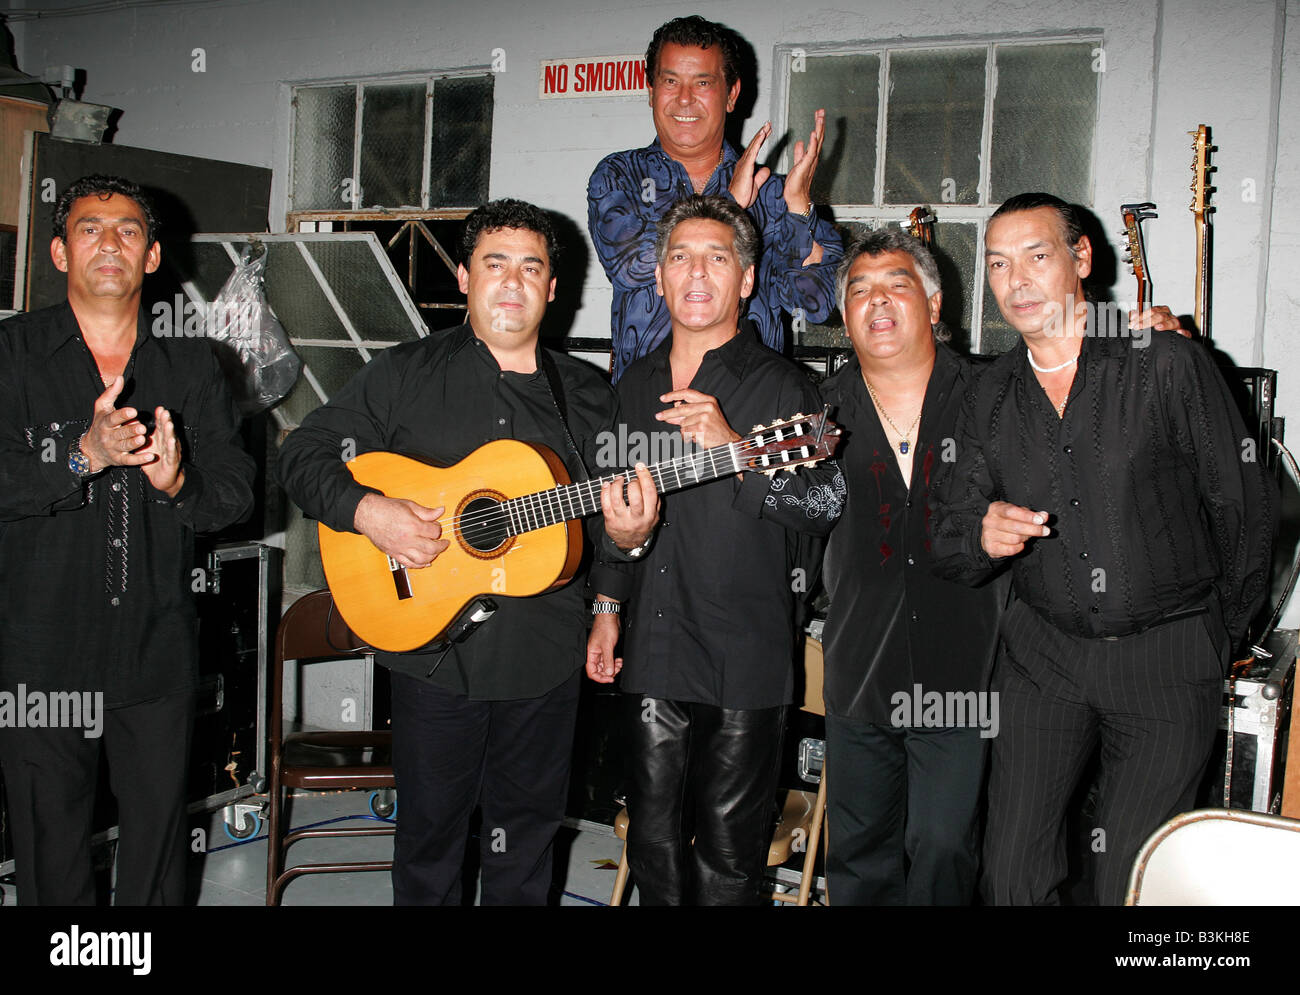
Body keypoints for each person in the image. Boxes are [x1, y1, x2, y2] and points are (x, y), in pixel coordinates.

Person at [277, 199, 658, 905]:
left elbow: (610, 526)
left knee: (527, 842)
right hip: (432, 655)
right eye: (494, 263)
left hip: (543, 658)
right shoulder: (405, 374)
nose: (512, 283)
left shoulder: (586, 395)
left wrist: (618, 574)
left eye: (531, 267)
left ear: (553, 288)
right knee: (429, 844)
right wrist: (371, 511)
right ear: (463, 276)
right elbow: (301, 453)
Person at [931, 192, 1277, 905]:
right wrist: (980, 535)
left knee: (1128, 878)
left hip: (1167, 654)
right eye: (998, 263)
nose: (1016, 281)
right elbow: (948, 532)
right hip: (1042, 659)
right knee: (1011, 875)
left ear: (1081, 258)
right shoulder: (986, 394)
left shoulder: (1166, 364)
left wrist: (1224, 632)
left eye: (1037, 255)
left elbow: (1242, 505)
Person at [0, 174, 255, 905]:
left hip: (156, 647)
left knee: (157, 844)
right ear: (58, 251)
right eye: (89, 228)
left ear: (151, 257)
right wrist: (81, 455)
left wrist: (180, 484)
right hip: (39, 652)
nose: (108, 241)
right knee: (50, 843)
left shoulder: (193, 365)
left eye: (127, 230)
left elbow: (235, 493)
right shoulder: (11, 355)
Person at [586, 194, 845, 905]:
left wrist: (736, 451)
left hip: (746, 655)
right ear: (659, 279)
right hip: (655, 649)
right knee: (651, 841)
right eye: (680, 257)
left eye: (717, 257)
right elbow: (616, 505)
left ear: (748, 279)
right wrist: (609, 601)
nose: (697, 273)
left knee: (729, 859)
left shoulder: (785, 385)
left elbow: (827, 504)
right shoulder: (633, 385)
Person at [818, 228, 1006, 905]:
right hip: (859, 667)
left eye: (896, 284)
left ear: (932, 300)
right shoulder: (818, 411)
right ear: (845, 317)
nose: (877, 302)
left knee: (946, 846)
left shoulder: (993, 393)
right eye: (860, 291)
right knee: (860, 854)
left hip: (965, 669)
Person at [588, 14, 843, 380]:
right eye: (670, 81)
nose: (685, 98)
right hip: (647, 407)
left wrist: (800, 210)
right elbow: (633, 265)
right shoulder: (618, 175)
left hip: (753, 414)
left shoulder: (775, 195)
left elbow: (814, 303)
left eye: (702, 82)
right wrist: (731, 205)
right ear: (650, 91)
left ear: (731, 94)